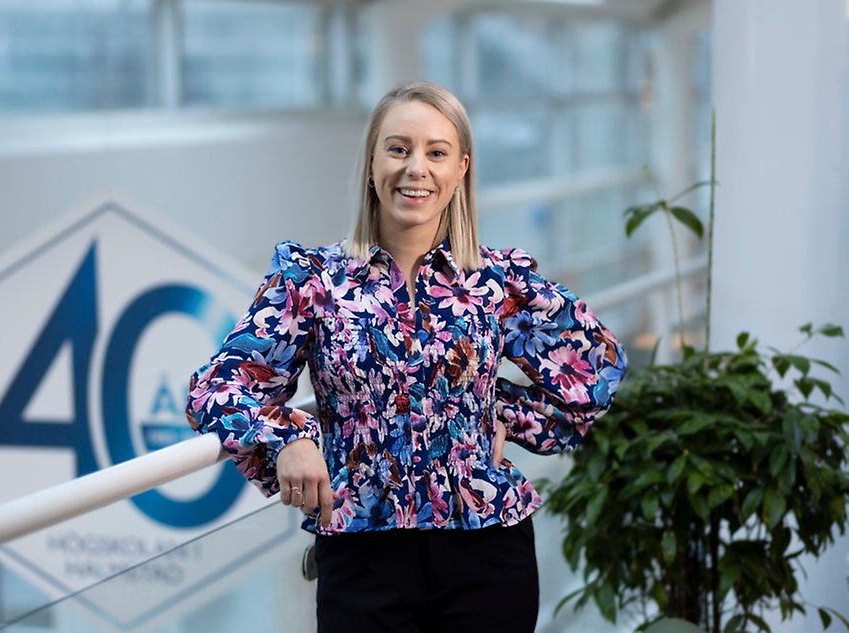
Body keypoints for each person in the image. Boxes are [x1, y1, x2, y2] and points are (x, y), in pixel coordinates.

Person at [186, 80, 628, 633]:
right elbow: (218, 386)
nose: (416, 167)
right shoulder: (313, 281)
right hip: (362, 557)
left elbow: (597, 365)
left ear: (460, 169)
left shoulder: (495, 280)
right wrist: (290, 439)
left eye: (436, 152)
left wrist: (500, 413)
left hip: (488, 551)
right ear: (372, 163)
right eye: (398, 149)